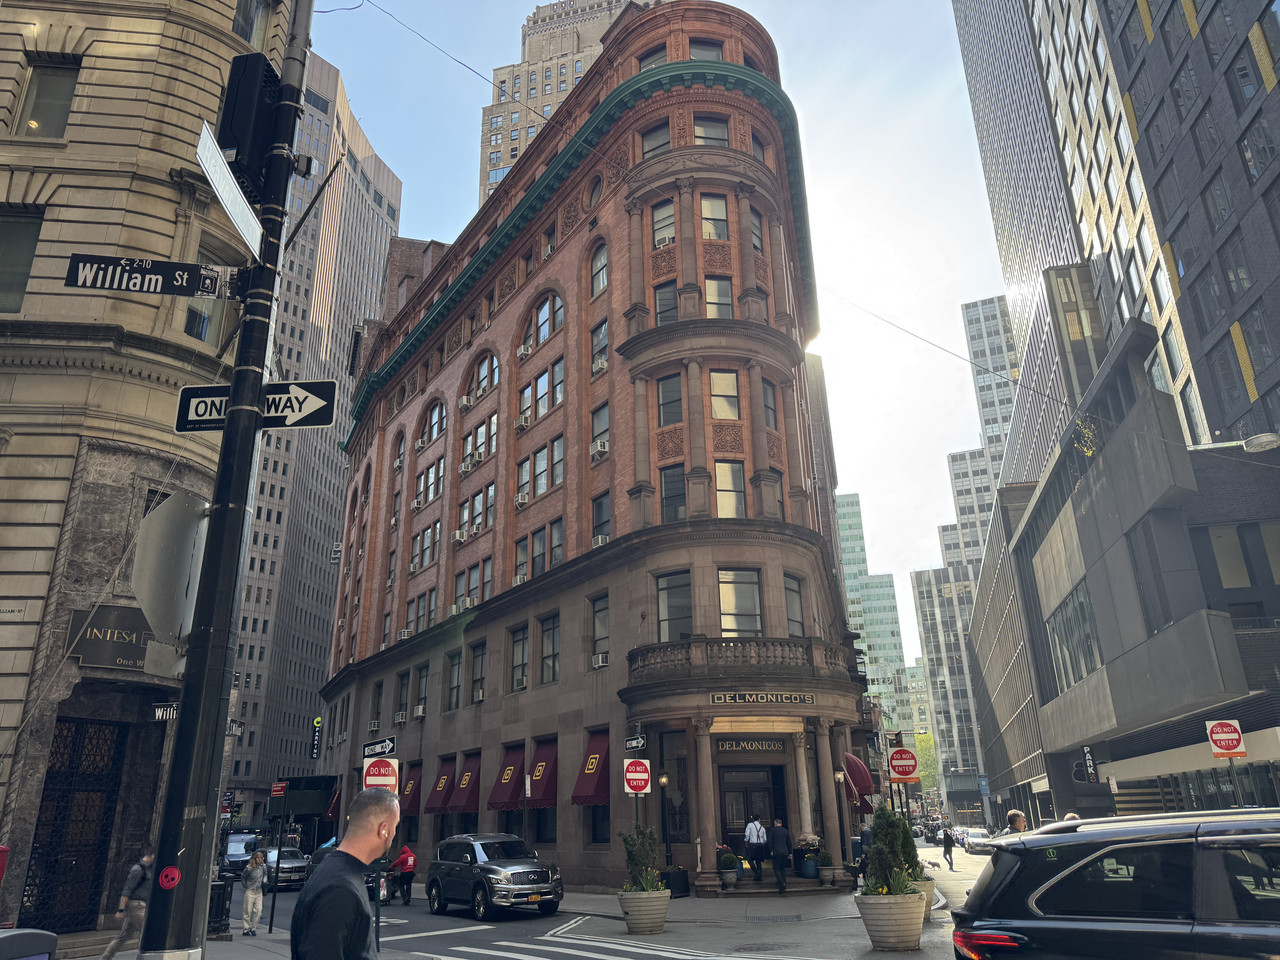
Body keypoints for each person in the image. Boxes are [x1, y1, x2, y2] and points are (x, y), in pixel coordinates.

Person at [291, 788, 400, 960]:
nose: (394, 834)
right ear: (383, 830)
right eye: (395, 826)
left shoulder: (337, 874)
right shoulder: (340, 890)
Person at [101, 848, 155, 960]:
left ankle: (105, 957)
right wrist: (121, 910)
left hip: (142, 905)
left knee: (125, 935)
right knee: (149, 933)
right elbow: (127, 890)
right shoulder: (138, 870)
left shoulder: (149, 869)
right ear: (152, 856)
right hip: (137, 906)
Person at [242, 849, 267, 936]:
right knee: (248, 910)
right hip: (250, 890)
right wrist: (246, 886)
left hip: (258, 891)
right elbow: (243, 876)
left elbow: (265, 875)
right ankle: (246, 929)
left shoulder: (263, 867)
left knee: (258, 910)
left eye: (261, 858)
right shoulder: (249, 868)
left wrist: (265, 883)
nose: (260, 860)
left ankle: (253, 927)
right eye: (258, 858)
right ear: (255, 859)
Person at [768, 817, 792, 894]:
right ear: (781, 823)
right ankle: (783, 882)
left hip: (776, 852)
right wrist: (790, 853)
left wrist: (770, 850)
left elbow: (770, 841)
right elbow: (789, 842)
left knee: (776, 868)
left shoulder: (772, 830)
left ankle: (781, 883)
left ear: (775, 823)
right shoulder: (785, 831)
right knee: (783, 868)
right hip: (785, 852)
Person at [744, 815, 767, 882]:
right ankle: (759, 877)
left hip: (753, 845)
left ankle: (757, 872)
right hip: (760, 845)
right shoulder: (762, 828)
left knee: (749, 859)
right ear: (759, 820)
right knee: (758, 861)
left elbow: (747, 834)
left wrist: (746, 841)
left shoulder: (750, 825)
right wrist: (762, 843)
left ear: (753, 819)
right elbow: (765, 839)